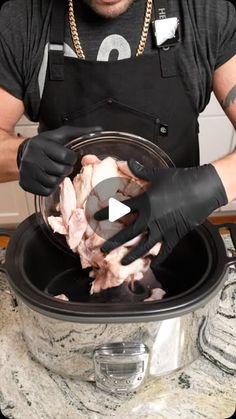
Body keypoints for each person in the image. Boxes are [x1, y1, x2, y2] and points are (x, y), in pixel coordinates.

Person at [0, 0, 235, 265]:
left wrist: (204, 187)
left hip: (173, 242)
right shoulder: (23, 19)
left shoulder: (204, 10)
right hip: (74, 250)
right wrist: (18, 155)